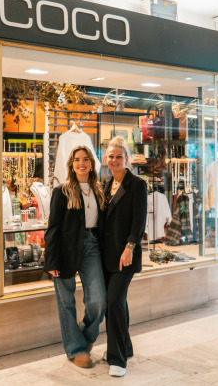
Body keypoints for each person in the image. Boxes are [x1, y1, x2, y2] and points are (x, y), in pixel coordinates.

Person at [44, 145, 107, 368]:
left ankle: (85, 336)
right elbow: (52, 228)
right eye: (77, 159)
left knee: (99, 300)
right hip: (65, 249)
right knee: (66, 302)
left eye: (85, 159)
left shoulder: (99, 189)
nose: (81, 163)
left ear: (92, 163)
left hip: (92, 247)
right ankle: (75, 348)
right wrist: (50, 260)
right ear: (71, 164)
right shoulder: (61, 191)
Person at [100, 136, 147, 377]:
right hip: (106, 256)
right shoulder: (106, 183)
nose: (115, 160)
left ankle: (117, 359)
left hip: (125, 255)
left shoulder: (137, 184)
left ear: (126, 159)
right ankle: (126, 347)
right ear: (105, 158)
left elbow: (139, 221)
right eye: (111, 156)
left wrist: (130, 247)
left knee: (114, 302)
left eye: (119, 156)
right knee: (117, 303)